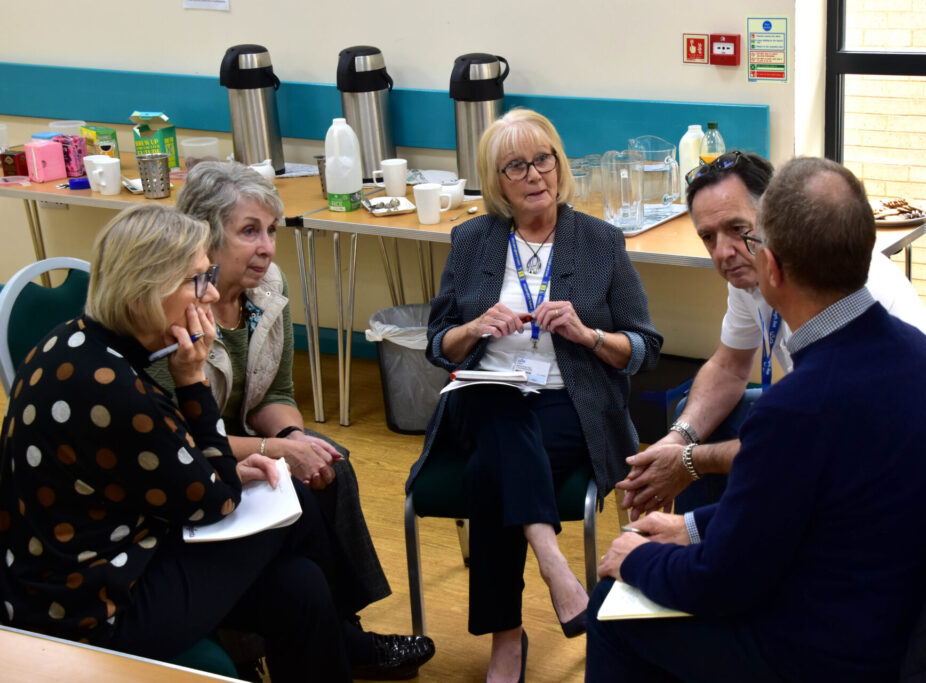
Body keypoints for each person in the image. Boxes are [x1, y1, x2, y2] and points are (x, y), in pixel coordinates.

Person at [586, 157, 926, 682]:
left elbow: (722, 583)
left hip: (833, 652)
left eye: (747, 236)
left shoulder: (798, 408)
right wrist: (691, 528)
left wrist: (633, 558)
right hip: (909, 608)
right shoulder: (914, 349)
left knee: (610, 607)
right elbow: (797, 493)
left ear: (772, 266)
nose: (727, 252)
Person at [0, 204, 364, 682]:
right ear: (145, 293)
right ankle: (349, 636)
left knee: (302, 586)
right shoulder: (117, 390)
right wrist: (192, 378)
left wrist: (223, 472)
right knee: (294, 498)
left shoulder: (72, 342)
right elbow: (215, 501)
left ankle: (342, 634)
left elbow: (175, 469)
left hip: (73, 574)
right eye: (197, 280)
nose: (210, 292)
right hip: (92, 613)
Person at [151, 161, 433, 680]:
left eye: (272, 231)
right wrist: (273, 451)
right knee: (295, 484)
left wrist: (294, 437)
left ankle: (338, 626)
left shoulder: (268, 288)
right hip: (189, 460)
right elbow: (179, 440)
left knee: (329, 463)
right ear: (206, 237)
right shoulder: (175, 306)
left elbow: (274, 393)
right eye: (249, 231)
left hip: (234, 440)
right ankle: (329, 639)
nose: (267, 248)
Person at [408, 108, 662, 682]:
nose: (534, 175)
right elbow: (437, 344)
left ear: (558, 164)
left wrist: (588, 334)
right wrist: (475, 327)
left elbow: (645, 346)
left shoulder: (600, 241)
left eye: (542, 159)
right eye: (516, 166)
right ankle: (554, 565)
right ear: (497, 181)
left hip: (568, 402)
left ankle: (507, 640)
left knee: (488, 472)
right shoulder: (472, 240)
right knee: (499, 408)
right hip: (482, 392)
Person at [618, 150, 926, 519]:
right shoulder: (751, 271)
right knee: (693, 419)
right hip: (846, 429)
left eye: (737, 229)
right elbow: (729, 367)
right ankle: (708, 543)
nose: (723, 252)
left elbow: (798, 442)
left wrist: (689, 462)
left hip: (889, 475)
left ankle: (707, 540)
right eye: (708, 237)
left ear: (774, 217)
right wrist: (677, 440)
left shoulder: (830, 282)